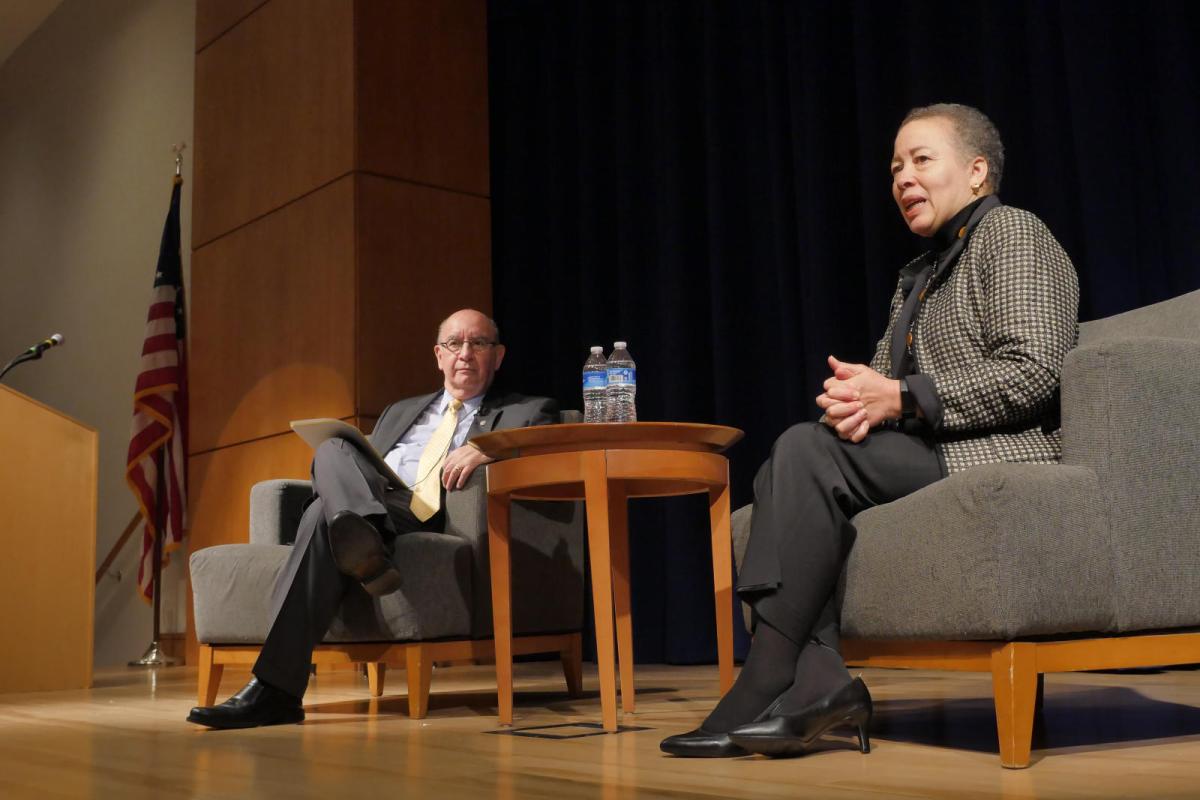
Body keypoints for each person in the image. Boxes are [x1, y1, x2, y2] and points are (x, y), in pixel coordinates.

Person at [661, 103, 1079, 758]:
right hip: (933, 448)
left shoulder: (1012, 233)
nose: (902, 178)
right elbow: (887, 387)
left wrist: (898, 397)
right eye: (894, 168)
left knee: (801, 451)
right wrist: (859, 398)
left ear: (976, 173)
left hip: (1003, 452)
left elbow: (1034, 372)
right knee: (790, 459)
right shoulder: (917, 274)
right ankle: (821, 678)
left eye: (920, 160)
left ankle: (767, 677)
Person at [188, 308, 557, 730]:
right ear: (438, 355)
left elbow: (542, 444)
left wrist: (488, 447)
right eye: (455, 344)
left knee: (318, 519)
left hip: (432, 508)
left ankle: (276, 690)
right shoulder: (402, 410)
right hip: (381, 496)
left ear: (499, 355)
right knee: (332, 450)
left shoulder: (526, 410)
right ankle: (362, 534)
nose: (466, 353)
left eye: (479, 344)